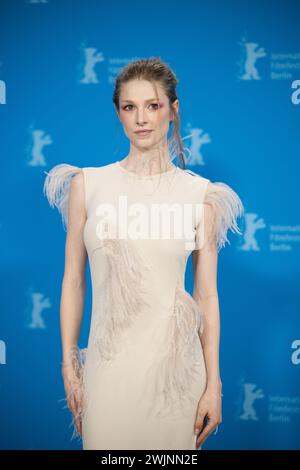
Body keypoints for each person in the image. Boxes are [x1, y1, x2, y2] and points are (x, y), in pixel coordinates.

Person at [43, 57, 244, 450]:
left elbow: (206, 297)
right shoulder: (88, 185)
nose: (142, 119)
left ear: (173, 110)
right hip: (108, 375)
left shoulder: (201, 196)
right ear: (118, 113)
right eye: (129, 107)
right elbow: (73, 280)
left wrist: (213, 384)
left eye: (153, 105)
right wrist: (69, 365)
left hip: (177, 381)